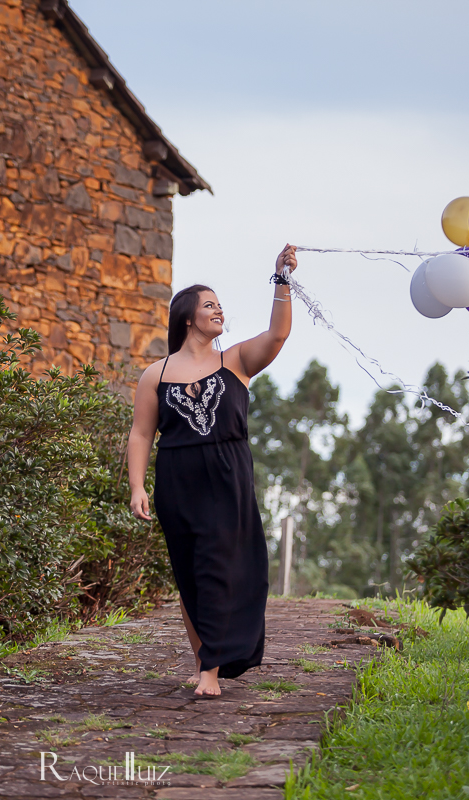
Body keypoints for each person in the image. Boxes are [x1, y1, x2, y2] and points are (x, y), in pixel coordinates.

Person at [127, 243, 298, 697]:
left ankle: (210, 669)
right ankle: (204, 660)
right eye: (210, 305)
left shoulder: (235, 361)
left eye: (221, 306)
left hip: (227, 477)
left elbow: (277, 335)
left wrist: (281, 280)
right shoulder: (156, 374)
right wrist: (137, 487)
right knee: (190, 572)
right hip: (178, 481)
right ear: (188, 317)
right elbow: (142, 435)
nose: (219, 311)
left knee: (221, 567)